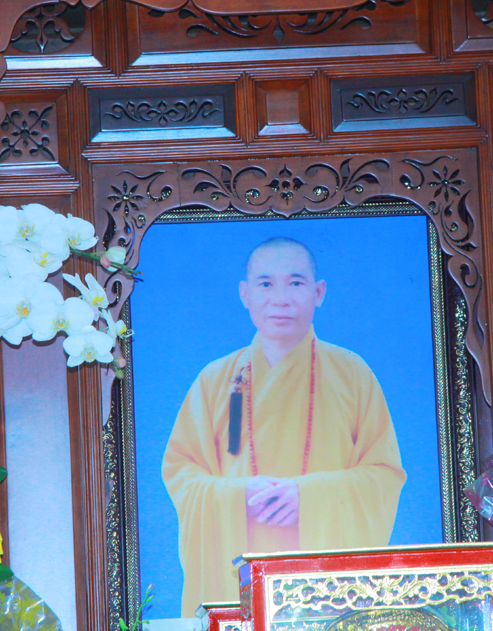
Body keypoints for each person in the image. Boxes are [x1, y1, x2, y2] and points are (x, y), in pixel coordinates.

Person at [162, 237, 407, 616]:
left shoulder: (352, 374)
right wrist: (239, 495)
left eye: (295, 283)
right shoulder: (214, 380)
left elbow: (384, 474)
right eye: (265, 284)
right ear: (245, 294)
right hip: (239, 581)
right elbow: (181, 471)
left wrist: (307, 497)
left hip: (326, 589)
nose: (280, 299)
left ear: (318, 292)